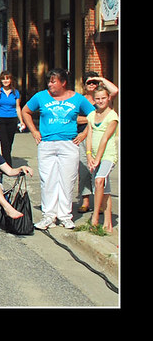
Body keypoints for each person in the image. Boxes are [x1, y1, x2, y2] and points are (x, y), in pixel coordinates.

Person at [21, 68, 93, 230]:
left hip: (69, 144)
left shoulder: (77, 98)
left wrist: (84, 134)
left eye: (53, 81)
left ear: (63, 82)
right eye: (49, 81)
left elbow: (94, 116)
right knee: (48, 180)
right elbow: (26, 111)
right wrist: (34, 131)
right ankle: (49, 215)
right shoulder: (41, 96)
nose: (50, 84)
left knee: (67, 180)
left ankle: (65, 215)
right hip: (46, 144)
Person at [77, 72, 119, 214]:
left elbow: (115, 90)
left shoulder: (103, 99)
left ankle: (99, 205)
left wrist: (101, 79)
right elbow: (73, 118)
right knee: (84, 171)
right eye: (89, 82)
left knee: (100, 175)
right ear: (84, 85)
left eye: (94, 82)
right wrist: (88, 122)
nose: (92, 85)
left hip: (99, 141)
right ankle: (85, 200)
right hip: (83, 138)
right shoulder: (81, 99)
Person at [83, 85, 118, 233]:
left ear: (108, 98)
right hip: (95, 155)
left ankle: (95, 217)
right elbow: (89, 136)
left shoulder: (112, 116)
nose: (101, 101)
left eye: (103, 98)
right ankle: (108, 222)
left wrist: (98, 159)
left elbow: (105, 139)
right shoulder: (91, 115)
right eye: (98, 99)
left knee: (99, 181)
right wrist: (89, 155)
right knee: (104, 188)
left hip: (107, 155)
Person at [0, 71, 22, 163]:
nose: (5, 81)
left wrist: (21, 121)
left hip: (12, 118)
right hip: (0, 118)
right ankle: (7, 164)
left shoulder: (15, 92)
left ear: (11, 80)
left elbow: (18, 107)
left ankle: (4, 161)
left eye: (7, 78)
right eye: (3, 79)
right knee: (4, 142)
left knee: (9, 142)